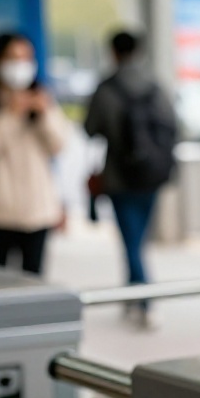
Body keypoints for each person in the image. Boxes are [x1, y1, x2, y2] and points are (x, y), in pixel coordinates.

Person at [0, 31, 71, 276]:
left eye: (25, 58)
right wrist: (9, 115)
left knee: (33, 283)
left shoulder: (41, 96)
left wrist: (44, 114)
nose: (20, 65)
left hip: (37, 210)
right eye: (12, 58)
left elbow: (59, 144)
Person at [84, 30, 178, 328]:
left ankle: (146, 301)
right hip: (151, 176)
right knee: (138, 239)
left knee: (131, 242)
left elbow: (90, 128)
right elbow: (173, 125)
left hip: (119, 177)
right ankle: (134, 296)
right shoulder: (154, 84)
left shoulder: (106, 88)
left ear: (113, 52)